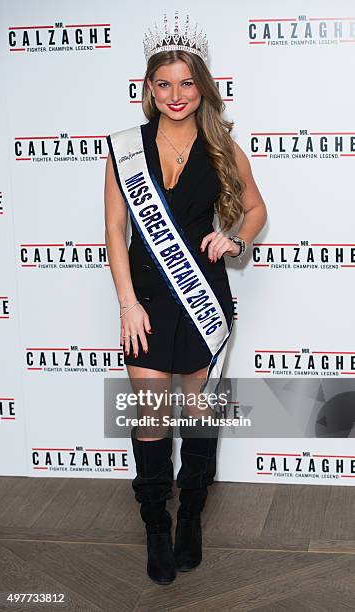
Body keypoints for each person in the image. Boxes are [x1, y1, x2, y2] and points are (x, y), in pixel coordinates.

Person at [104, 11, 267, 585]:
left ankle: (191, 514)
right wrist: (127, 302)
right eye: (164, 83)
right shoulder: (125, 148)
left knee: (198, 411)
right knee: (150, 414)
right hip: (145, 299)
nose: (176, 95)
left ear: (203, 84)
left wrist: (237, 238)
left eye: (187, 82)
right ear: (148, 88)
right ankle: (155, 519)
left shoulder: (223, 146)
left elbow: (255, 209)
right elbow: (115, 230)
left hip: (203, 295)